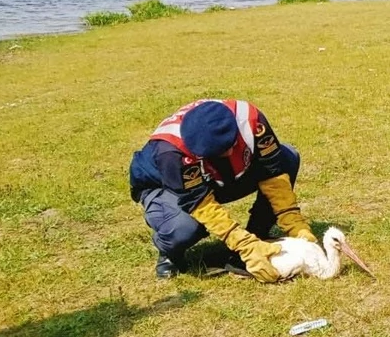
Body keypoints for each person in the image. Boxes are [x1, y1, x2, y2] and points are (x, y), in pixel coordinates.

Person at [129, 99, 314, 281]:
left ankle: (258, 233)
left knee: (287, 157)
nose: (226, 154)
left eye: (229, 147)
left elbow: (274, 173)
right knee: (184, 228)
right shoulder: (171, 151)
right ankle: (169, 250)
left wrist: (293, 222)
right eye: (216, 154)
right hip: (166, 185)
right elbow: (199, 202)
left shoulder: (252, 121)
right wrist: (243, 245)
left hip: (214, 178)